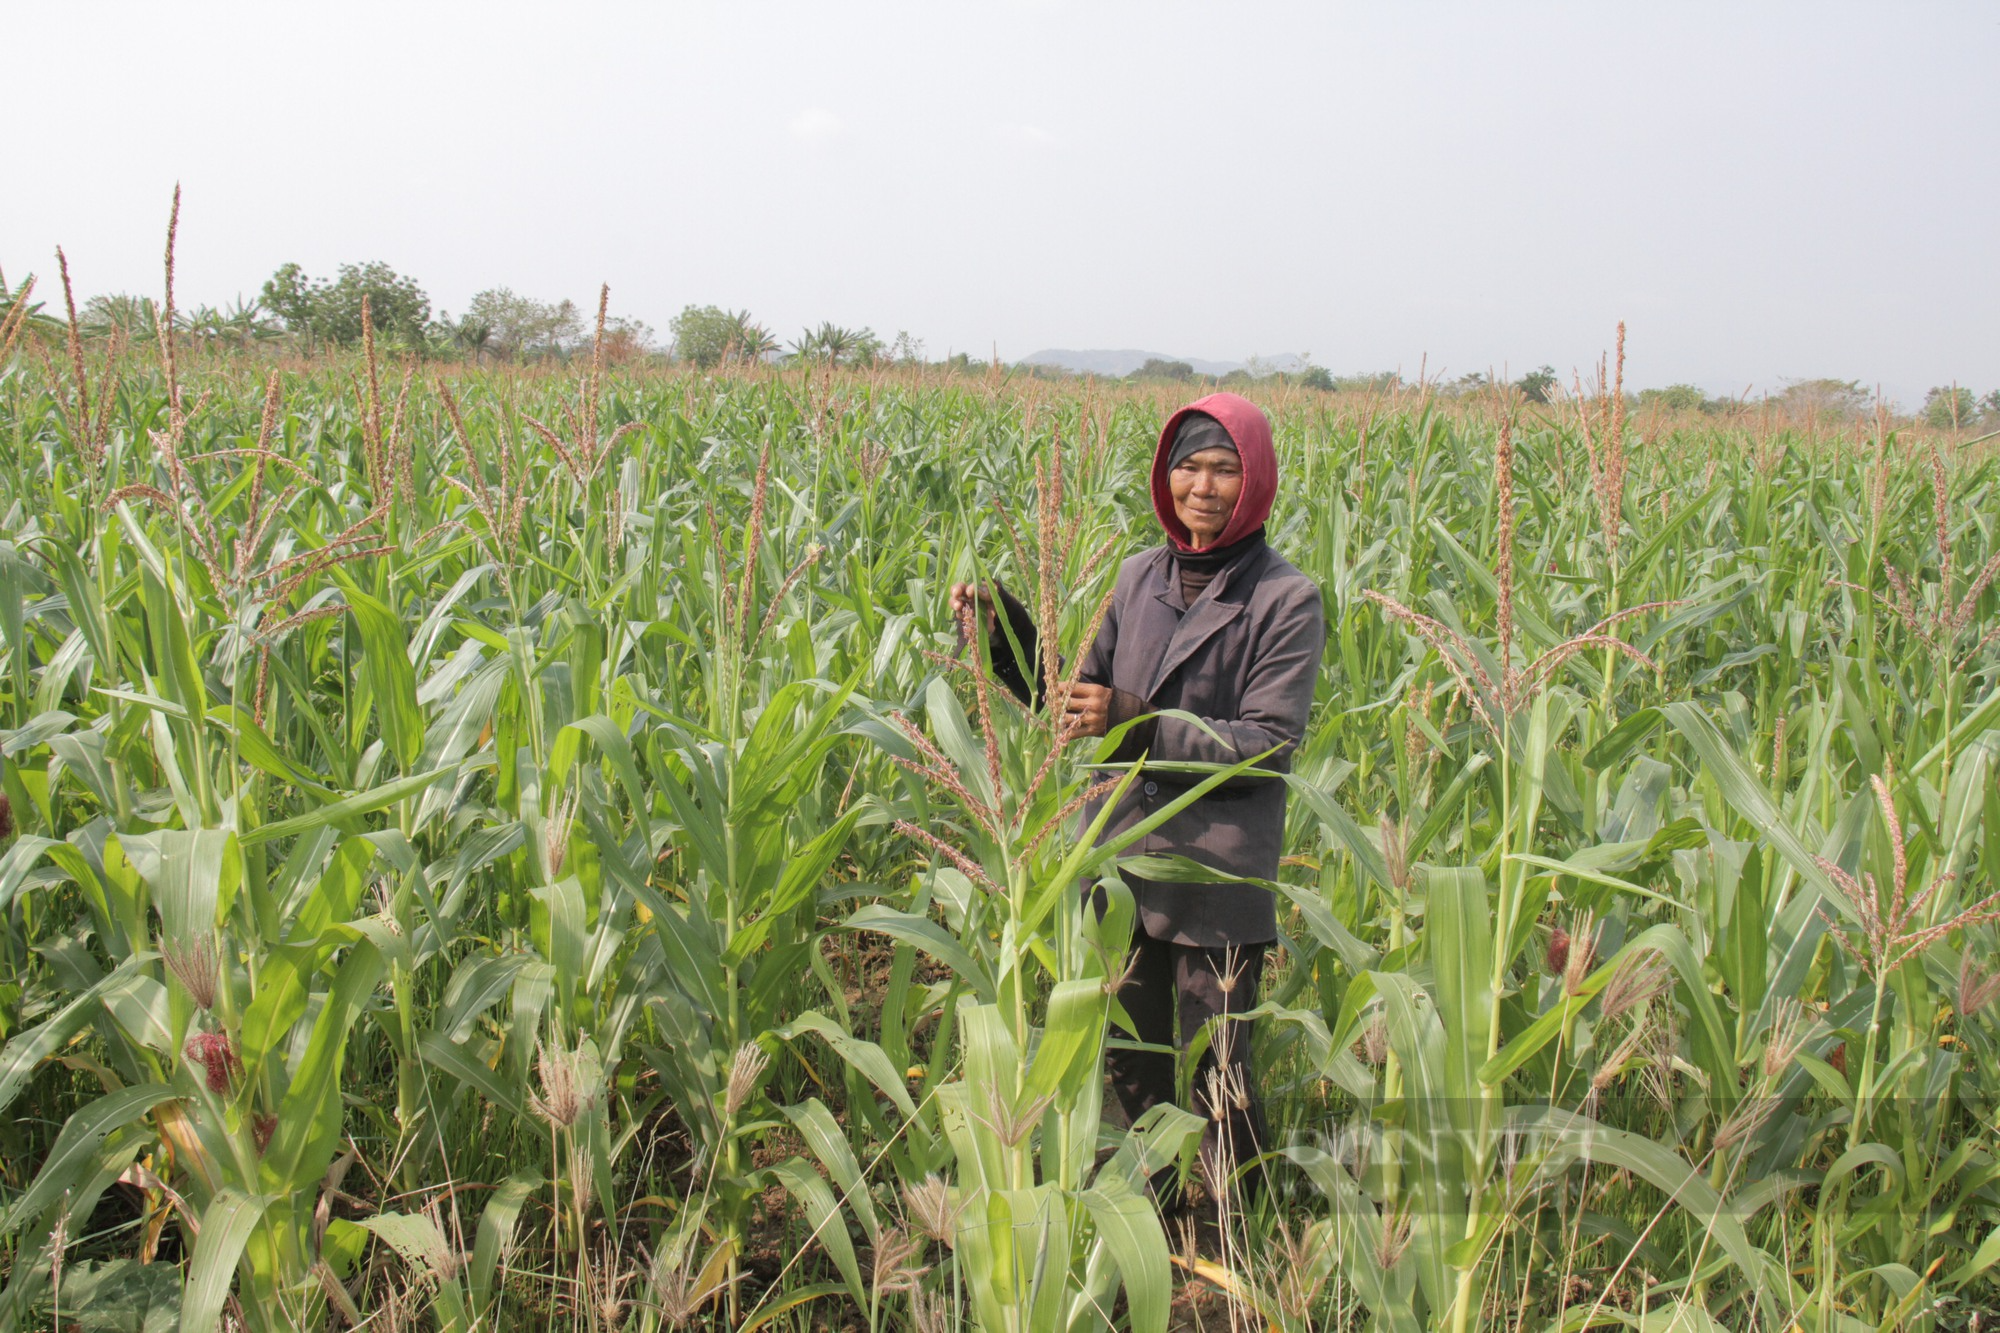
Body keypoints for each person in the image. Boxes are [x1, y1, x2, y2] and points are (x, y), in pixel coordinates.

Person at [949, 391, 1325, 1194]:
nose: (1202, 485)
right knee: (1128, 1065)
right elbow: (1073, 698)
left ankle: (1235, 1241)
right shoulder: (1136, 577)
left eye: (1224, 470)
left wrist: (1146, 722)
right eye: (1187, 465)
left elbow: (1266, 744)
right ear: (1166, 476)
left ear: (1254, 481)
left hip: (1214, 877)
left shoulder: (1284, 600)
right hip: (1119, 864)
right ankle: (1140, 1223)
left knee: (1218, 1075)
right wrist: (1003, 629)